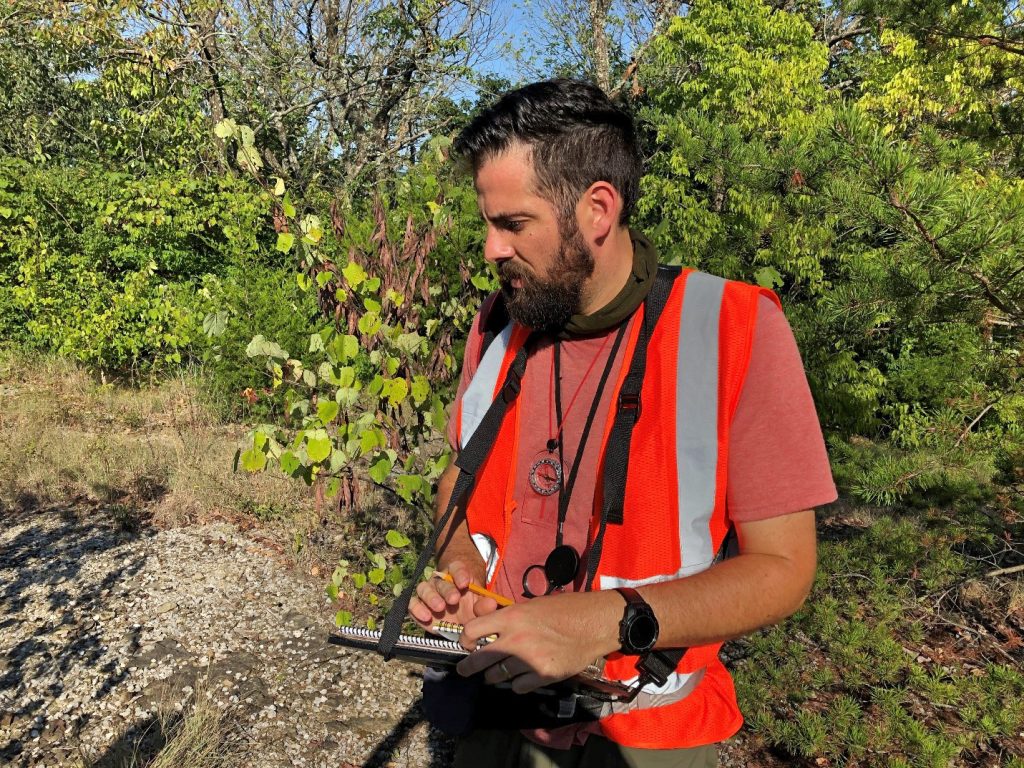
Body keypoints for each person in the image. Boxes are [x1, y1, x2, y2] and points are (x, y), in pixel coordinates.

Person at [408, 79, 837, 767]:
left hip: (648, 736)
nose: (490, 249)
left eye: (512, 224)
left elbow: (785, 568)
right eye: (487, 223)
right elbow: (460, 485)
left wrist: (607, 624)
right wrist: (461, 569)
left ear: (597, 209)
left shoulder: (731, 328)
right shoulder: (497, 327)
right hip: (494, 715)